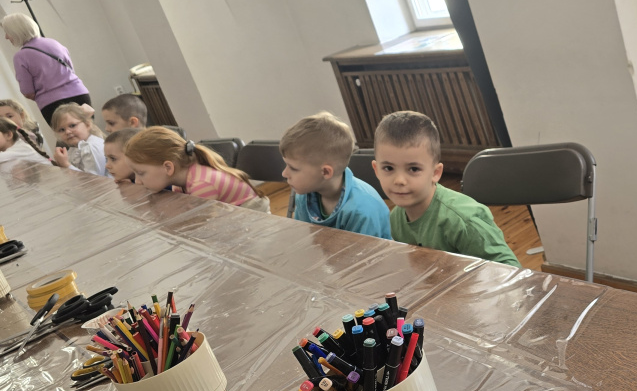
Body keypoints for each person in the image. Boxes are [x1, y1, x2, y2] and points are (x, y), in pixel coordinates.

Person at [373, 110, 518, 266]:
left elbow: (511, 270)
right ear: (376, 170)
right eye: (388, 168)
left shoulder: (463, 220)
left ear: (436, 173)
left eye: (413, 169)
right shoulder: (396, 218)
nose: (399, 180)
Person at [281, 111, 391, 239]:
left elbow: (365, 252)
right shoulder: (304, 196)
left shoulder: (362, 210)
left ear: (326, 172)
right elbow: (305, 239)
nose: (284, 173)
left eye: (293, 168)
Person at [125, 126, 270, 211]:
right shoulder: (180, 181)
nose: (137, 181)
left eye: (141, 173)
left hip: (253, 218)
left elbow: (201, 223)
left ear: (168, 167)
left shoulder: (201, 184)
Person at [2, 13, 91, 121]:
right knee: (90, 130)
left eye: (7, 32)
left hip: (54, 105)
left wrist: (46, 94)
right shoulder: (55, 43)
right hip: (80, 94)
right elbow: (70, 70)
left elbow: (28, 92)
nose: (6, 37)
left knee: (67, 132)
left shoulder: (20, 57)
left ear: (16, 32)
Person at [49, 102, 107, 175]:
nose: (67, 132)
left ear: (87, 124)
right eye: (62, 130)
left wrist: (65, 164)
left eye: (72, 125)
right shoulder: (76, 147)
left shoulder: (91, 147)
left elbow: (94, 179)